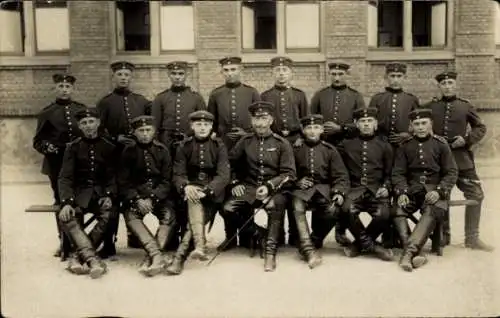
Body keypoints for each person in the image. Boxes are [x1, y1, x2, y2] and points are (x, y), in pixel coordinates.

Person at [222, 101, 296, 272]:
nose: (260, 123)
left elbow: (289, 174)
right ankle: (259, 233)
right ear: (252, 121)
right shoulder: (245, 141)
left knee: (273, 205)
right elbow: (229, 164)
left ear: (271, 120)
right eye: (256, 119)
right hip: (249, 187)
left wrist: (270, 186)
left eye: (264, 118)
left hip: (275, 190)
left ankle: (270, 252)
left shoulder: (281, 143)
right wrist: (235, 183)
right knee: (228, 208)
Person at [424, 71, 493, 251]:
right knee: (440, 196)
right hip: (438, 161)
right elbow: (420, 127)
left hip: (462, 159)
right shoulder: (431, 106)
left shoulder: (465, 106)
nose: (447, 86)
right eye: (444, 83)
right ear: (438, 86)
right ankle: (443, 236)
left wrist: (467, 139)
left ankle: (472, 238)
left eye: (450, 82)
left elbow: (481, 127)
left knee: (476, 194)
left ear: (455, 85)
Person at [96, 61, 152, 257]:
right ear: (113, 77)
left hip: (135, 158)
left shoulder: (142, 101)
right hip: (113, 157)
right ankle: (109, 242)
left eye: (127, 74)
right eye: (119, 74)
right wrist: (115, 138)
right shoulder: (105, 102)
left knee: (134, 194)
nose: (123, 78)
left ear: (131, 77)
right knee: (113, 198)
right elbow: (98, 130)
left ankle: (134, 236)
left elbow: (150, 128)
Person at [392, 108, 458, 271]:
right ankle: (417, 251)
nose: (420, 127)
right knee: (397, 210)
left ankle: (407, 254)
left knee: (431, 211)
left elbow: (451, 172)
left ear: (430, 124)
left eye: (424, 123)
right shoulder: (405, 146)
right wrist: (402, 192)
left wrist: (440, 191)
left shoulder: (441, 144)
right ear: (411, 126)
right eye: (416, 124)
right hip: (413, 190)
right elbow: (398, 173)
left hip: (435, 192)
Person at [151, 60, 207, 251]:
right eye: (174, 74)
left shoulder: (196, 97)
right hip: (167, 147)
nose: (177, 77)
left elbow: (202, 125)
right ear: (169, 76)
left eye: (181, 74)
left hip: (187, 147)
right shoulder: (160, 98)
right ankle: (172, 235)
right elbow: (155, 128)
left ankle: (188, 233)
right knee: (172, 190)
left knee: (187, 188)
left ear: (186, 75)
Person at [166, 110, 230, 275]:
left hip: (212, 194)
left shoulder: (219, 146)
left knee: (195, 214)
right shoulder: (184, 146)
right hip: (191, 191)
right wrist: (186, 186)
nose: (202, 128)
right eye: (199, 124)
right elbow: (178, 173)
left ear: (211, 127)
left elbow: (223, 175)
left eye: (206, 125)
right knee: (193, 201)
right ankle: (197, 247)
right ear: (192, 126)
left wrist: (207, 191)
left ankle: (180, 258)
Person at [310, 61, 365, 247]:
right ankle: (317, 233)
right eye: (333, 73)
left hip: (346, 147)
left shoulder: (355, 96)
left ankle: (341, 231)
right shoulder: (320, 95)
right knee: (321, 186)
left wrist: (341, 128)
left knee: (343, 188)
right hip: (322, 147)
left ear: (346, 74)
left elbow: (360, 124)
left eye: (340, 74)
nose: (337, 77)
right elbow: (310, 120)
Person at [207, 56, 261, 248]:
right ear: (222, 72)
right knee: (226, 192)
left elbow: (260, 119)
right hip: (224, 149)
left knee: (243, 191)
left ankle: (247, 237)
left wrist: (246, 133)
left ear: (241, 69)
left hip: (247, 149)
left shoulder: (251, 92)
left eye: (233, 69)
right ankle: (230, 237)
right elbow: (211, 124)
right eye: (226, 70)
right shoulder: (216, 94)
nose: (230, 73)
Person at [32, 73, 87, 259]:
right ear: (55, 88)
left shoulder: (81, 110)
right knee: (61, 201)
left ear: (73, 89)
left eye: (68, 87)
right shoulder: (47, 112)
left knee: (79, 200)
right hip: (56, 164)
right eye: (61, 86)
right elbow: (38, 141)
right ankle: (64, 241)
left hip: (79, 163)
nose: (64, 90)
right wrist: (47, 146)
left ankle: (79, 242)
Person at [57, 108, 115, 279]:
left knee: (109, 214)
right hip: (79, 194)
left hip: (100, 194)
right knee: (67, 215)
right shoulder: (73, 148)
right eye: (84, 123)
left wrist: (109, 195)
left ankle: (77, 256)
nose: (88, 126)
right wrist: (67, 201)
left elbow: (112, 176)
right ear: (79, 126)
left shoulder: (108, 146)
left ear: (98, 123)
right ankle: (93, 260)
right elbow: (65, 177)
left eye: (91, 122)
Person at [368, 62, 420, 248]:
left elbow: (418, 123)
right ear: (386, 78)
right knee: (385, 190)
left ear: (404, 78)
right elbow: (370, 123)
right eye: (392, 76)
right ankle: (387, 237)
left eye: (399, 77)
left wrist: (409, 134)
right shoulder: (377, 98)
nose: (395, 80)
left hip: (403, 149)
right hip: (382, 148)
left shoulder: (411, 99)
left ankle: (400, 235)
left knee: (400, 188)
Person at [118, 115, 176, 277]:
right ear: (134, 133)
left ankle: (150, 258)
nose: (145, 134)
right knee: (131, 216)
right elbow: (123, 182)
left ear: (154, 131)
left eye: (148, 130)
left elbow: (166, 180)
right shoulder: (128, 152)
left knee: (169, 215)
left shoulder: (162, 150)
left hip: (159, 196)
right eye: (141, 130)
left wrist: (153, 198)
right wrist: (137, 199)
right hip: (137, 197)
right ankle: (156, 255)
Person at [261, 56, 309, 247]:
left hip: (296, 143)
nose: (281, 74)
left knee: (293, 185)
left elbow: (306, 120)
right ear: (272, 73)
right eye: (277, 71)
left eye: (285, 71)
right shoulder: (265, 96)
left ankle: (296, 234)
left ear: (291, 73)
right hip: (276, 143)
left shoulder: (299, 95)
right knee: (278, 185)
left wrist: (302, 138)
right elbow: (264, 120)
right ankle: (277, 233)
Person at [290, 114, 349, 268]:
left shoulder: (330, 150)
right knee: (297, 206)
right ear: (303, 130)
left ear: (322, 129)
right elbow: (287, 171)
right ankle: (309, 250)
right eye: (308, 128)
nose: (312, 131)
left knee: (333, 209)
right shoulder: (295, 149)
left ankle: (314, 239)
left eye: (316, 127)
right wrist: (296, 181)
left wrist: (338, 192)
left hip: (323, 189)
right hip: (301, 190)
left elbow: (341, 175)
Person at [337, 107, 394, 261]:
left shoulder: (384, 145)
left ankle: (358, 245)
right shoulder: (346, 144)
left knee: (384, 214)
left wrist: (386, 187)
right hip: (354, 189)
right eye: (363, 121)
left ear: (376, 124)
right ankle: (372, 246)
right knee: (346, 209)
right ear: (356, 124)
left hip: (377, 190)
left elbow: (390, 173)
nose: (366, 124)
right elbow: (339, 171)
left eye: (370, 121)